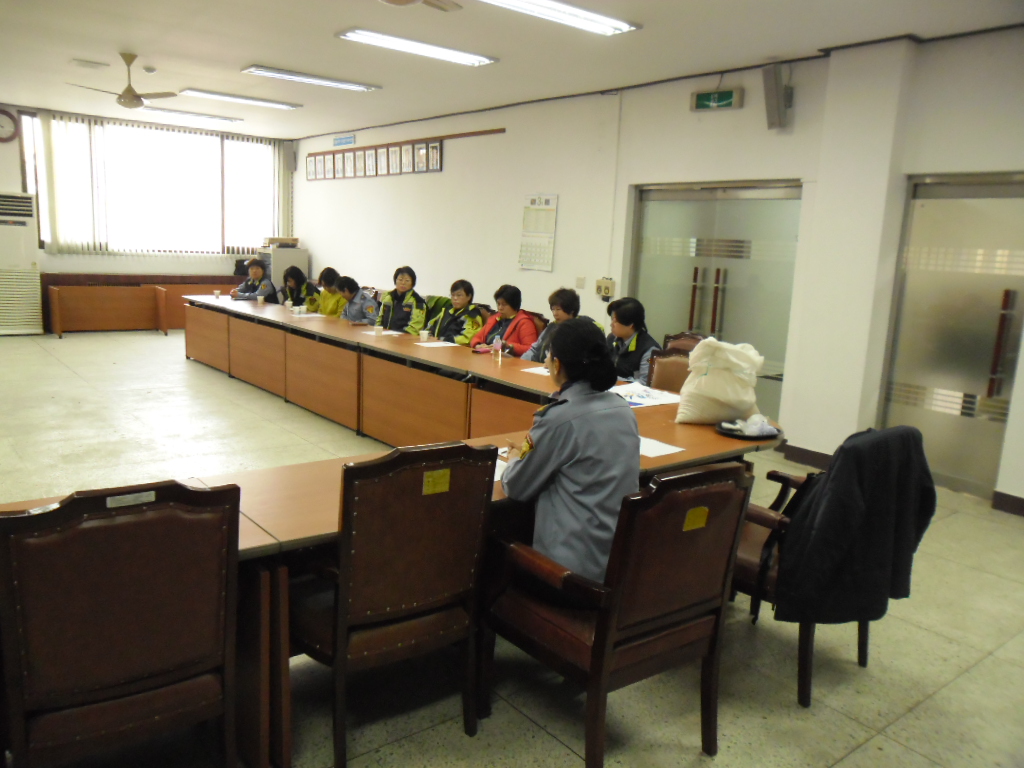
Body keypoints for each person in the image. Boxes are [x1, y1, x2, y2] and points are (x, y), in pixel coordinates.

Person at [502, 318, 640, 583]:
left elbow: (516, 486)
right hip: (616, 566)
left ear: (557, 364)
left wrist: (515, 459)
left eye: (548, 356)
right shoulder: (622, 408)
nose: (545, 362)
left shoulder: (558, 418)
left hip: (567, 576)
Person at [522, 287, 602, 363]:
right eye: (553, 309)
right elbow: (535, 349)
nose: (555, 313)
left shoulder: (580, 330)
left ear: (571, 310)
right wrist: (522, 361)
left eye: (558, 309)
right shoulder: (552, 327)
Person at [469, 284, 538, 356]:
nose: (500, 308)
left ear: (514, 305)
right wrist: (478, 345)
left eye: (504, 304)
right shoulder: (495, 318)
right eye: (498, 304)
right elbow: (476, 337)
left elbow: (530, 349)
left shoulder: (525, 323)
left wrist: (508, 346)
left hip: (507, 359)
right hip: (486, 356)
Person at [606, 297, 661, 384]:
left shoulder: (649, 349)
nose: (611, 324)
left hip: (630, 391)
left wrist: (613, 381)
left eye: (615, 321)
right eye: (612, 319)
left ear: (630, 324)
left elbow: (645, 383)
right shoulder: (611, 339)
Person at [428, 279, 484, 345]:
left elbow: (467, 339)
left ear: (469, 297)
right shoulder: (446, 311)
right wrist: (429, 335)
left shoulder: (472, 315)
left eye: (459, 295)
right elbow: (430, 325)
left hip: (455, 348)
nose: (455, 298)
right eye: (453, 295)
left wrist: (442, 340)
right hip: (436, 345)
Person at [377, 266, 426, 334]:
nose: (403, 283)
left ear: (412, 283)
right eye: (400, 279)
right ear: (395, 281)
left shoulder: (418, 301)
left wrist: (396, 335)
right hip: (385, 336)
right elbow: (379, 320)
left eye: (407, 280)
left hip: (405, 337)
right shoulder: (388, 297)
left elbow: (415, 328)